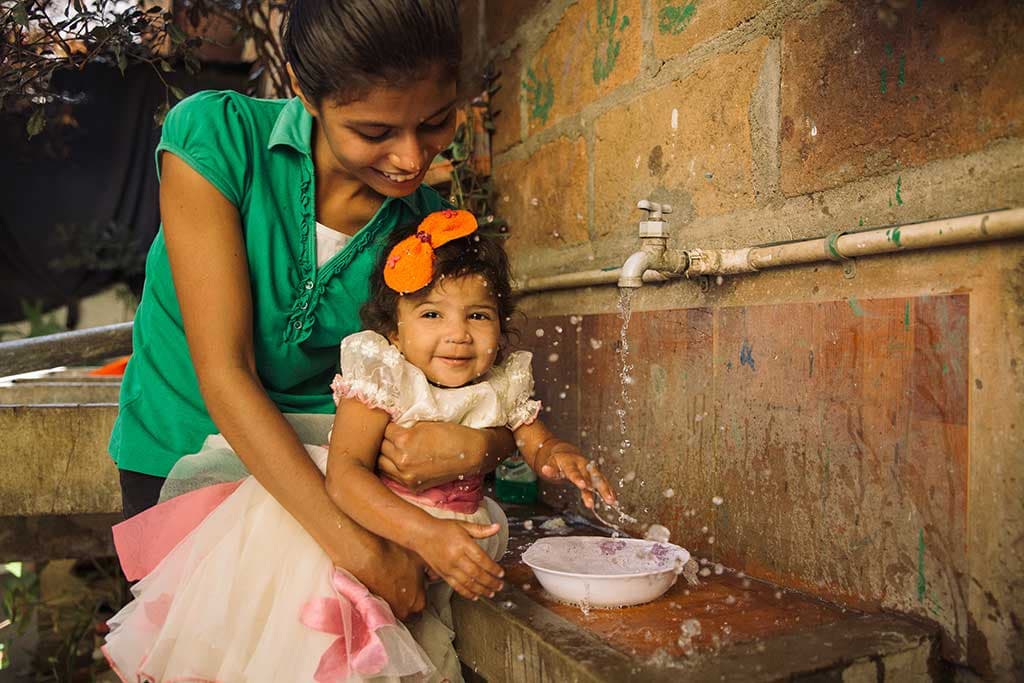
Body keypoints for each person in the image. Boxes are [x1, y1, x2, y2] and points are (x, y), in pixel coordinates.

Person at [108, 0, 511, 624]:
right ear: (304, 90)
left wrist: (479, 447)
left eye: (435, 122)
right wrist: (363, 553)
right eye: (375, 132)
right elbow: (226, 371)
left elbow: (477, 391)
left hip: (339, 465)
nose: (411, 158)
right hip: (185, 457)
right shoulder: (217, 140)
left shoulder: (426, 228)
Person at [102, 212, 618, 682]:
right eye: (431, 315)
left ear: (501, 327)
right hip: (372, 526)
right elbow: (345, 477)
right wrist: (426, 536)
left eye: (477, 316)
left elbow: (533, 437)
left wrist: (557, 456)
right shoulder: (384, 376)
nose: (458, 335)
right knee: (331, 649)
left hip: (450, 540)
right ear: (394, 330)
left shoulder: (503, 381)